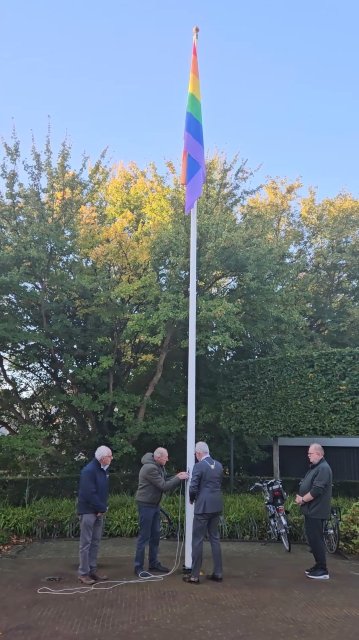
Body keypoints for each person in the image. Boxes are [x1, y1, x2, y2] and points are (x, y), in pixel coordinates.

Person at [134, 447, 188, 578]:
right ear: (158, 457)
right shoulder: (150, 468)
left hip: (154, 505)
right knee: (144, 537)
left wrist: (176, 476)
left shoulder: (158, 466)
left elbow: (164, 479)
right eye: (165, 457)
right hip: (146, 506)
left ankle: (153, 564)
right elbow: (164, 486)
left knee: (155, 536)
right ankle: (138, 568)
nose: (167, 459)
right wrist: (178, 478)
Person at [183, 441, 223, 584]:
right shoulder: (218, 465)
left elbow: (193, 487)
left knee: (198, 540)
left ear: (199, 453)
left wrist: (192, 500)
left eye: (196, 454)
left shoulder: (199, 466)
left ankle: (194, 575)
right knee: (215, 539)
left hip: (203, 507)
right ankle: (218, 572)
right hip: (217, 505)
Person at [295, 443, 332, 580]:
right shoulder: (316, 467)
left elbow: (317, 490)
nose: (308, 456)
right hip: (311, 511)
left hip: (316, 511)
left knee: (316, 540)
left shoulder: (323, 468)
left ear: (318, 454)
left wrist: (302, 500)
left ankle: (323, 570)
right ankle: (318, 565)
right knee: (313, 539)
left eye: (310, 454)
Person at [77, 445, 113, 585]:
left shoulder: (103, 470)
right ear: (103, 458)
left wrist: (101, 508)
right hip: (87, 511)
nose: (111, 458)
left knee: (95, 542)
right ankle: (83, 573)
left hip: (98, 511)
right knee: (85, 543)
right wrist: (101, 507)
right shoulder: (89, 471)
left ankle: (92, 570)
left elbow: (101, 491)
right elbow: (88, 493)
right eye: (110, 456)